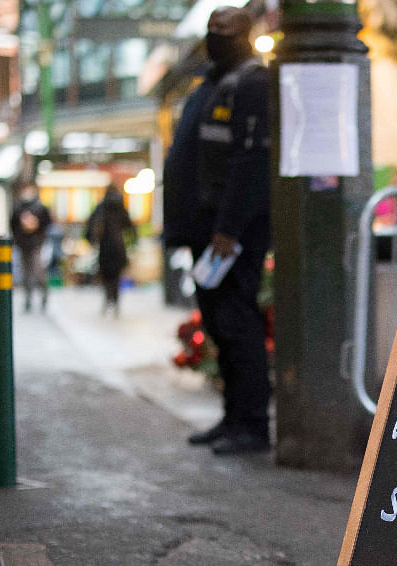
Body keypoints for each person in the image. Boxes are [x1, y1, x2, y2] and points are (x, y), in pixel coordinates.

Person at [162, 6, 272, 455]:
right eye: (211, 31)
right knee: (219, 325)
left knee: (238, 323)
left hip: (231, 233)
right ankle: (233, 418)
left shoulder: (252, 82)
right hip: (204, 230)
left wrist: (228, 228)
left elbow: (251, 164)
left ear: (246, 34)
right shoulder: (210, 83)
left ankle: (252, 426)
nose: (215, 38)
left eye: (225, 31)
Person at [86, 184, 134, 316]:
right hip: (119, 246)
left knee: (106, 275)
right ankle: (116, 300)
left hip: (105, 247)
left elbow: (91, 227)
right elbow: (130, 227)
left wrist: (91, 240)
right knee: (117, 276)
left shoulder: (101, 207)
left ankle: (108, 299)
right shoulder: (121, 207)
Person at [10, 181, 52, 313]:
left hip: (36, 243)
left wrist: (37, 229)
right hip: (23, 244)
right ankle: (28, 298)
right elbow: (13, 224)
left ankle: (44, 294)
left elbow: (47, 223)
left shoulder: (40, 207)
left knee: (38, 270)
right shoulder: (18, 208)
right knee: (26, 272)